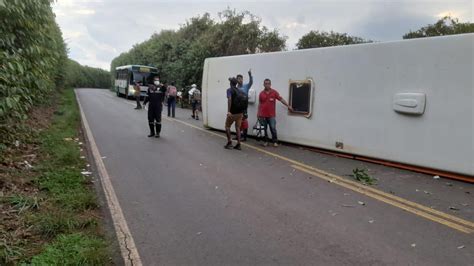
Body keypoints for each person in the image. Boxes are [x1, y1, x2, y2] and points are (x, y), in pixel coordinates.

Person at [257, 78, 293, 147]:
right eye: (266, 83)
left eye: (268, 84)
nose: (267, 85)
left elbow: (281, 99)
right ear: (263, 84)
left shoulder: (274, 92)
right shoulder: (261, 93)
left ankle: (275, 141)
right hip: (263, 115)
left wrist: (288, 106)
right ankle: (266, 141)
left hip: (271, 115)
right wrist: (258, 113)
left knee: (273, 128)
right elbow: (259, 104)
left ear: (270, 84)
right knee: (264, 129)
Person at [224, 77, 246, 150]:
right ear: (236, 83)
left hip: (232, 113)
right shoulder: (239, 90)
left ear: (230, 83)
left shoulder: (229, 90)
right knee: (238, 128)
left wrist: (229, 111)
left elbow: (229, 99)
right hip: (240, 113)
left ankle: (229, 142)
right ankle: (238, 144)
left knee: (227, 126)